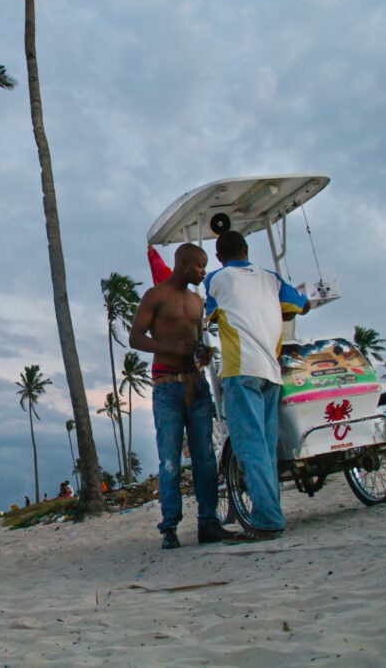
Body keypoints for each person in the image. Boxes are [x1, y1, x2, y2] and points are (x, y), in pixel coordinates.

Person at [130, 242, 236, 549]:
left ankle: (208, 523)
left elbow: (196, 339)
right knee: (170, 459)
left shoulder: (197, 301)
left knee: (204, 456)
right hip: (167, 385)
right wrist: (170, 348)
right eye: (200, 266)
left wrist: (202, 351)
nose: (204, 271)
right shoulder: (155, 296)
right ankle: (170, 527)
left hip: (196, 383)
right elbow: (135, 338)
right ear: (183, 264)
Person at [204, 231, 309, 543]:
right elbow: (299, 305)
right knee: (264, 448)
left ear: (219, 256)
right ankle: (270, 513)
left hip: (240, 370)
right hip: (271, 372)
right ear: (247, 250)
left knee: (250, 449)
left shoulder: (217, 278)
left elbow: (209, 316)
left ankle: (267, 520)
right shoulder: (271, 278)